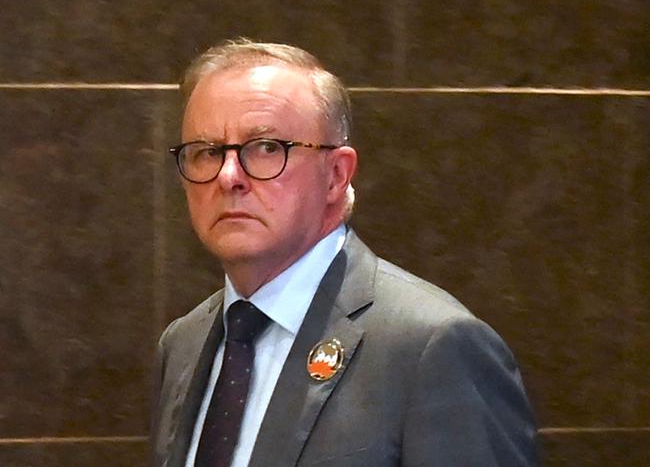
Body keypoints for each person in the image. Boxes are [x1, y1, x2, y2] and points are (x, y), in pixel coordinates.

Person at [151, 38, 538, 467]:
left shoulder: (433, 347)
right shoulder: (184, 343)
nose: (228, 177)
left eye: (265, 148)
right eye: (206, 152)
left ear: (336, 175)